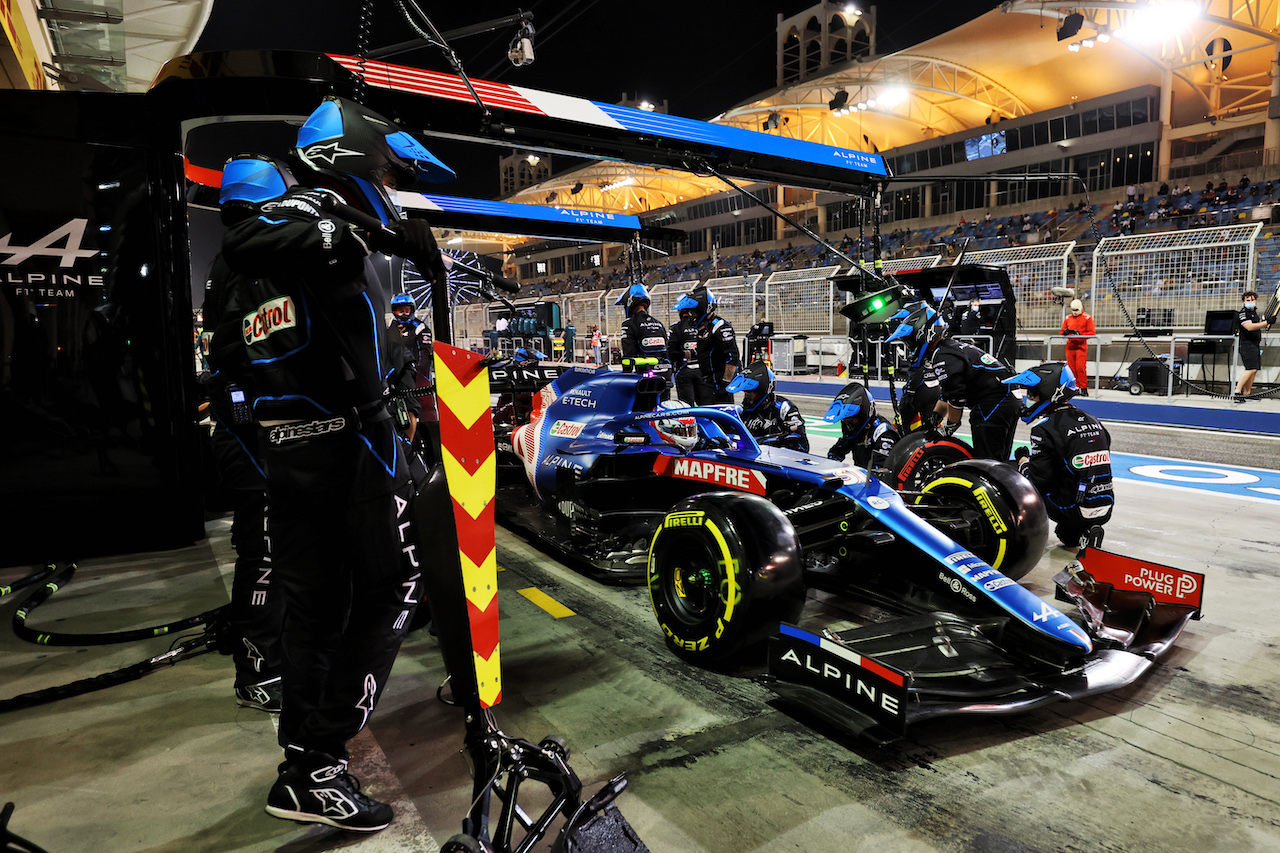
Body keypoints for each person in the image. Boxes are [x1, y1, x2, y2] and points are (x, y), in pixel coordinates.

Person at [218, 97, 454, 832]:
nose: (390, 183)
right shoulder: (305, 220)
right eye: (384, 170)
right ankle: (319, 752)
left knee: (319, 611)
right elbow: (254, 237)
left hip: (298, 453)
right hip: (347, 449)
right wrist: (368, 226)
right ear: (352, 161)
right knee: (395, 585)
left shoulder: (288, 248)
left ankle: (306, 770)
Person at [202, 248, 284, 714]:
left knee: (279, 554)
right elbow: (241, 407)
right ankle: (257, 674)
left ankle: (274, 654)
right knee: (265, 558)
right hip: (252, 452)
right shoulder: (242, 334)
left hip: (264, 450)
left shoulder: (254, 325)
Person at [886, 301, 1020, 462]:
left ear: (921, 334)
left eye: (909, 341)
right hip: (1005, 397)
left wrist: (947, 428)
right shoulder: (944, 350)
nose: (909, 347)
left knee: (986, 460)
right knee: (994, 457)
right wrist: (933, 420)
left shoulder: (942, 357)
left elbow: (956, 399)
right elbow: (947, 395)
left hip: (996, 400)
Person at [1003, 362, 1113, 552]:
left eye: (1031, 394)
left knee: (1009, 474)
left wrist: (1022, 460)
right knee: (1067, 536)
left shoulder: (1044, 428)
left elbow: (1038, 481)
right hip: (1106, 504)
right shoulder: (1093, 420)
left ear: (1048, 393)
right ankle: (1085, 530)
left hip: (1071, 507)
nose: (1027, 399)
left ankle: (1012, 537)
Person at [674, 285, 740, 403]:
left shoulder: (721, 327)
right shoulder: (704, 328)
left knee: (720, 420)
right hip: (705, 383)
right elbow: (703, 353)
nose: (691, 316)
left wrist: (725, 386)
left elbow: (732, 358)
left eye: (693, 312)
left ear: (702, 309)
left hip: (719, 387)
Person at [725, 360, 808, 452]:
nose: (746, 396)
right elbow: (732, 438)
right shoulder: (744, 410)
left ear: (761, 391)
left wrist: (766, 442)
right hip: (749, 458)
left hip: (776, 459)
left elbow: (801, 444)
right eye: (745, 392)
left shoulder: (784, 407)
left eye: (749, 392)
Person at [386, 293, 431, 443]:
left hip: (417, 377)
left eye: (407, 310)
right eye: (400, 310)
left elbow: (424, 358)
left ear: (412, 310)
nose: (404, 314)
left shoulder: (421, 328)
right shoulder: (388, 328)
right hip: (394, 377)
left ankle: (416, 443)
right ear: (394, 311)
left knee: (420, 410)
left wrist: (413, 378)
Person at [823, 382, 899, 470]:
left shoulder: (883, 432)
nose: (848, 425)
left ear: (862, 414)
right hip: (862, 477)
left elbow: (882, 470)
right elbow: (838, 450)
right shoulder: (855, 430)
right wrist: (832, 462)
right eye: (845, 421)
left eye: (851, 420)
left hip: (879, 481)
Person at [616, 284, 671, 390]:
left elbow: (628, 353)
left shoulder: (629, 324)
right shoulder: (659, 324)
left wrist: (625, 376)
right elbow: (667, 350)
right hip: (665, 374)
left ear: (629, 303)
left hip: (645, 377)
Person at [1234, 289, 1274, 402]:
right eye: (1247, 300)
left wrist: (1266, 321)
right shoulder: (1243, 313)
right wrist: (1266, 322)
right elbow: (1249, 327)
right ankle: (1237, 393)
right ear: (1243, 302)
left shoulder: (1254, 313)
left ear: (1255, 300)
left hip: (1255, 344)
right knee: (1250, 368)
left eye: (1252, 300)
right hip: (1246, 345)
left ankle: (1247, 393)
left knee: (1254, 369)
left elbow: (1257, 324)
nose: (1250, 301)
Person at [668, 305, 711, 404]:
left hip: (684, 370)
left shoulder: (676, 328)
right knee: (704, 404)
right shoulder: (702, 326)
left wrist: (685, 354)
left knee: (686, 405)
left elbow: (671, 352)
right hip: (702, 370)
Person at [1059, 298, 1095, 396]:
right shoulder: (1068, 318)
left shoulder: (1087, 318)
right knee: (1071, 369)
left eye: (1076, 310)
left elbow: (1091, 332)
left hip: (1081, 346)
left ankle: (1083, 388)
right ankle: (1073, 388)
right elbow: (1062, 331)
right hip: (1070, 346)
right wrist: (1068, 332)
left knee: (1080, 368)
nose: (1074, 312)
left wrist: (1079, 334)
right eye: (1073, 310)